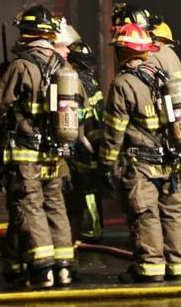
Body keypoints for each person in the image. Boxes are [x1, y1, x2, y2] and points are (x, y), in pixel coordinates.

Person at [0, 5, 79, 289]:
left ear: (26, 34)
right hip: (56, 152)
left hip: (27, 152)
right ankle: (65, 265)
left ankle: (43, 269)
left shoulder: (21, 65)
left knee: (31, 207)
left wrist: (5, 76)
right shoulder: (65, 66)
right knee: (55, 205)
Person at [99, 22, 181, 283]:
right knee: (172, 213)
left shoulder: (124, 84)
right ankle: (178, 264)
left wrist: (106, 164)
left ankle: (150, 267)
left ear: (123, 52)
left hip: (141, 164)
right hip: (171, 161)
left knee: (146, 214)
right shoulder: (162, 77)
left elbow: (114, 131)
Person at [54, 17, 106, 243]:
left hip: (81, 143)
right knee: (89, 188)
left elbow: (80, 114)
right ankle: (90, 228)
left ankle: (89, 229)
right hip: (91, 142)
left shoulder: (76, 81)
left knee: (83, 189)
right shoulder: (90, 82)